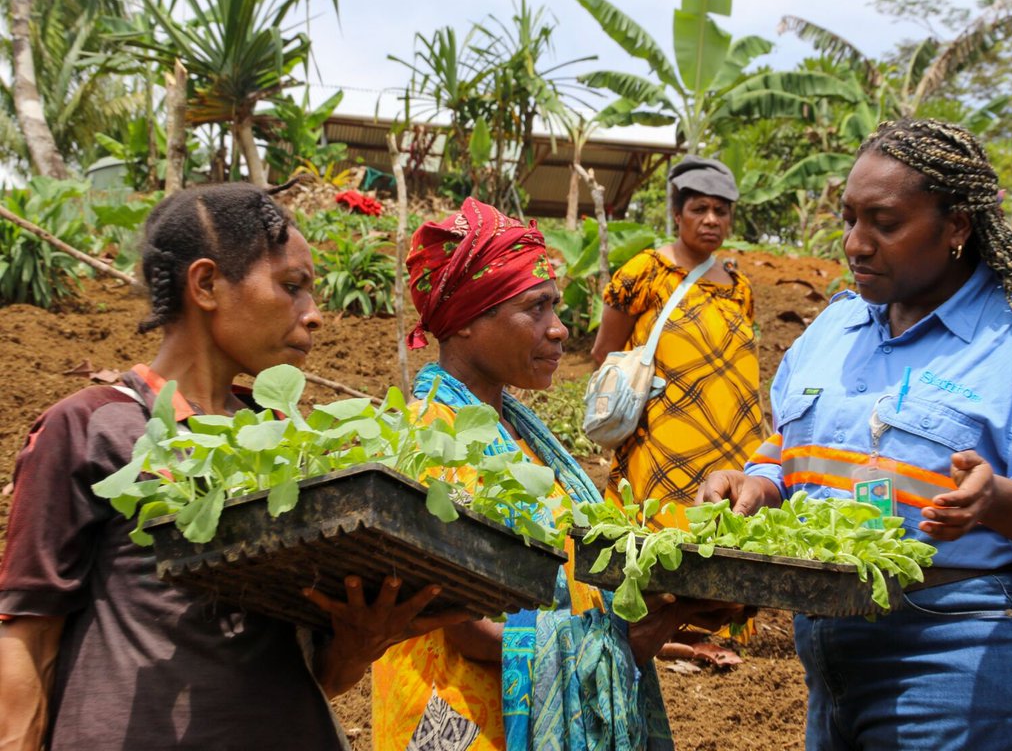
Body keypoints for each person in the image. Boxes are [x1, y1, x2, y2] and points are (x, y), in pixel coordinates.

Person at [699, 118, 1012, 750]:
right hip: (833, 662)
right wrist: (759, 483)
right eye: (850, 219)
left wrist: (1003, 502)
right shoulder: (835, 329)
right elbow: (789, 449)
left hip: (966, 667)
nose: (857, 244)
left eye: (885, 223)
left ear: (957, 226)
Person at [0, 183, 466, 750]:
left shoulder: (294, 443)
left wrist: (358, 640)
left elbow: (312, 673)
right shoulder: (94, 426)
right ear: (206, 284)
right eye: (292, 287)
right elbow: (28, 640)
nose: (314, 316)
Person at [373, 197, 738, 751]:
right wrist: (623, 640)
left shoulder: (512, 428)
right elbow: (471, 633)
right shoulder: (434, 440)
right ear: (468, 321)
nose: (560, 329)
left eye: (556, 308)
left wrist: (672, 608)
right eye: (536, 309)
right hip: (466, 726)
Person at [591, 155, 764, 529]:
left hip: (734, 447)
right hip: (662, 445)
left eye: (721, 210)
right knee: (659, 546)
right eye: (699, 208)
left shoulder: (740, 288)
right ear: (676, 214)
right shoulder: (646, 272)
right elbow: (605, 353)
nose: (711, 219)